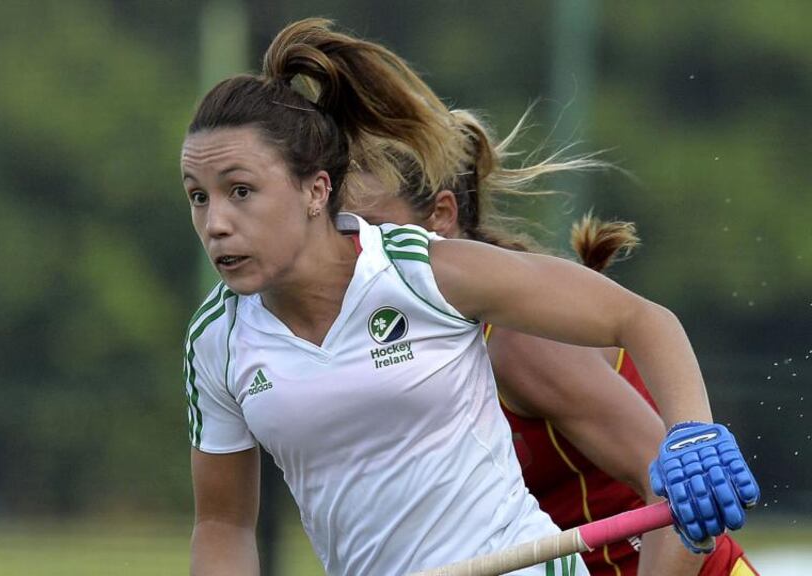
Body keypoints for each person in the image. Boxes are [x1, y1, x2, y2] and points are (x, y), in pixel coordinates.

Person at [181, 18, 758, 576]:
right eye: (198, 197)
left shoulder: (416, 270)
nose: (216, 223)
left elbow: (639, 317)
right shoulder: (216, 342)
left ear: (316, 190)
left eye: (240, 191)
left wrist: (692, 432)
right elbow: (224, 527)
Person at [346, 109, 759, 576]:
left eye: (371, 227)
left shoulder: (519, 343)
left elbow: (674, 494)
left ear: (442, 216)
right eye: (342, 229)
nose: (354, 248)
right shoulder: (407, 350)